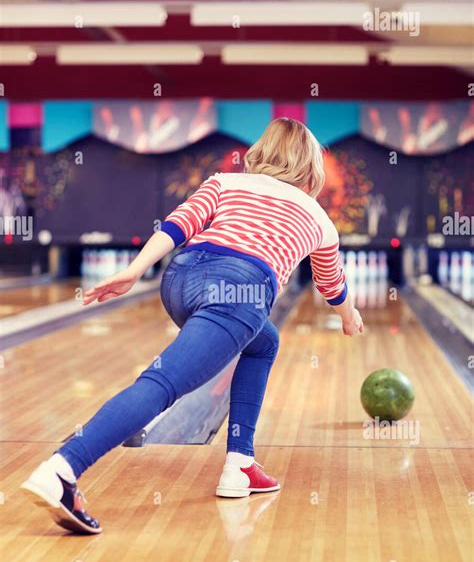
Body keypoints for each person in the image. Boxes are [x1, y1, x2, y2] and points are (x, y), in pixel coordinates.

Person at [21, 118, 364, 534]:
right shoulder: (319, 219)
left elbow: (176, 226)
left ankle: (241, 464)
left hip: (180, 281)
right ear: (312, 170)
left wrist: (133, 271)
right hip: (239, 294)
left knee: (262, 343)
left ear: (259, 154)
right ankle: (62, 469)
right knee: (161, 386)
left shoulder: (225, 182)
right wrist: (349, 316)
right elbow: (331, 284)